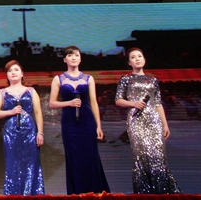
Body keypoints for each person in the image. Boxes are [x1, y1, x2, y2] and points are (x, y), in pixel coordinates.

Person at [115, 47, 181, 194]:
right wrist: (133, 103)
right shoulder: (126, 79)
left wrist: (165, 124)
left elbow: (157, 103)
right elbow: (118, 100)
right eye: (133, 57)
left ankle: (163, 191)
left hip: (154, 121)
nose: (137, 59)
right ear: (129, 62)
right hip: (136, 121)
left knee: (158, 156)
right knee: (142, 157)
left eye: (139, 56)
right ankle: (144, 193)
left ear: (144, 59)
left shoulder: (153, 80)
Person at [49, 45, 110, 194]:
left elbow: (94, 103)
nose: (74, 58)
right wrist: (68, 103)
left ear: (80, 58)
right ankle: (77, 193)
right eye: (70, 55)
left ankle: (94, 192)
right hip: (69, 124)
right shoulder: (58, 79)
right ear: (64, 60)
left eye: (76, 55)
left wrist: (98, 126)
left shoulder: (89, 78)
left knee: (90, 157)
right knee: (74, 158)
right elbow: (52, 103)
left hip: (87, 122)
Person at [0, 60, 44, 195]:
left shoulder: (31, 91)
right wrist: (11, 112)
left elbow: (38, 113)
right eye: (10, 71)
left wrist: (40, 133)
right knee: (13, 164)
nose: (13, 73)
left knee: (31, 164)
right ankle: (13, 195)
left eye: (16, 70)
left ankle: (31, 195)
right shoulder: (2, 92)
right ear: (7, 75)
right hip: (11, 133)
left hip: (30, 133)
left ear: (22, 74)